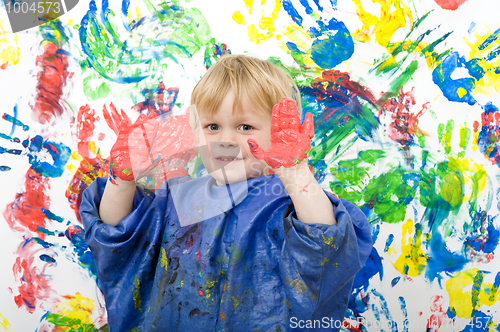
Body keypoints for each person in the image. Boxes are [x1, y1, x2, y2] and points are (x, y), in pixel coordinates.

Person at [80, 54, 372, 331]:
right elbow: (117, 236)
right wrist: (122, 179)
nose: (226, 140)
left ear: (279, 132)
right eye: (213, 126)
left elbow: (326, 247)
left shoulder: (289, 204)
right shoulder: (177, 199)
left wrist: (295, 173)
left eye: (245, 126)